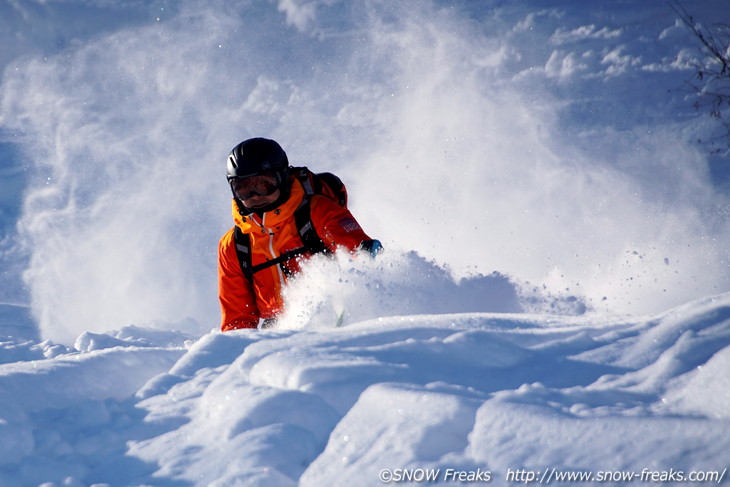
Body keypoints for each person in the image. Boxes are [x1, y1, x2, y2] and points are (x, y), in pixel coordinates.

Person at [218, 137, 381, 331]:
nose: (255, 196)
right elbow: (237, 320)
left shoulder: (316, 212)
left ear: (282, 177)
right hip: (279, 333)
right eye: (243, 188)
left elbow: (362, 255)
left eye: (264, 184)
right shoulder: (235, 245)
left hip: (338, 317)